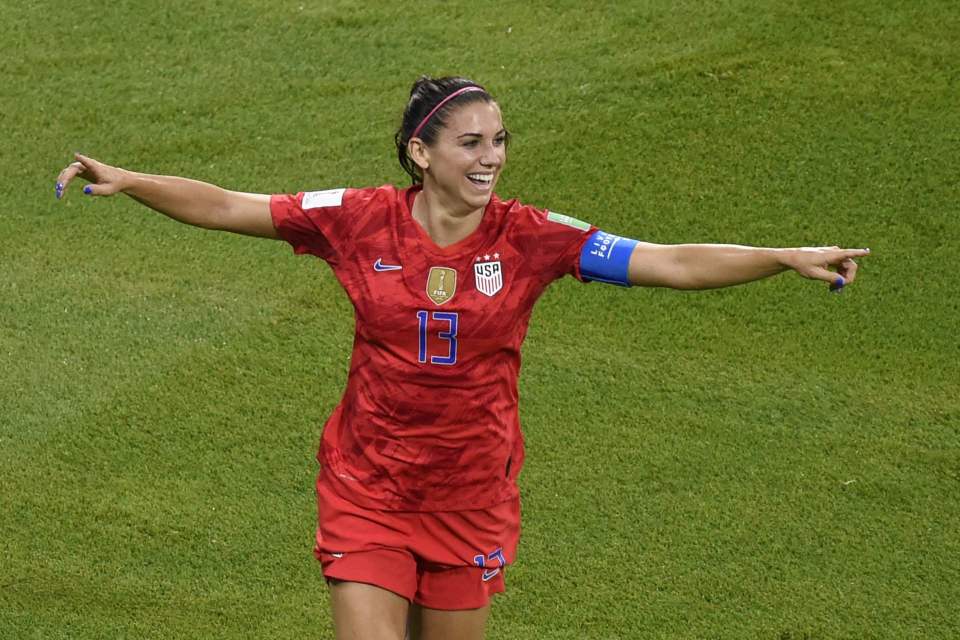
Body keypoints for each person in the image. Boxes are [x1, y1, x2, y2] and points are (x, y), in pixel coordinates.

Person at [55, 75, 869, 640]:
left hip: (470, 497)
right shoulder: (357, 219)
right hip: (368, 486)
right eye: (472, 142)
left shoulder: (533, 236)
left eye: (500, 141)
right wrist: (133, 179)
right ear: (421, 151)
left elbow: (670, 261)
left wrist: (778, 255)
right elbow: (233, 205)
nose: (492, 157)